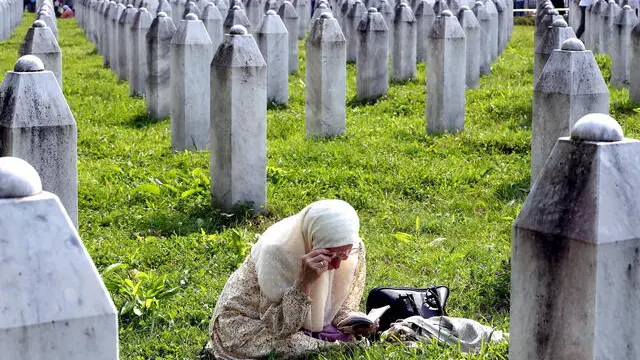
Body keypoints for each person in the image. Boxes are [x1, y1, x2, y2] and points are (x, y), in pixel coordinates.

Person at [204, 200, 376, 359]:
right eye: (330, 255)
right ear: (311, 240)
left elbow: (340, 307)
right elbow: (280, 328)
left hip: (291, 323)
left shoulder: (352, 247)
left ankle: (325, 340)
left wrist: (354, 323)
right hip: (253, 323)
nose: (338, 265)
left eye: (344, 254)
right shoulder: (276, 252)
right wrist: (304, 282)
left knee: (337, 338)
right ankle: (331, 344)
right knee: (293, 345)